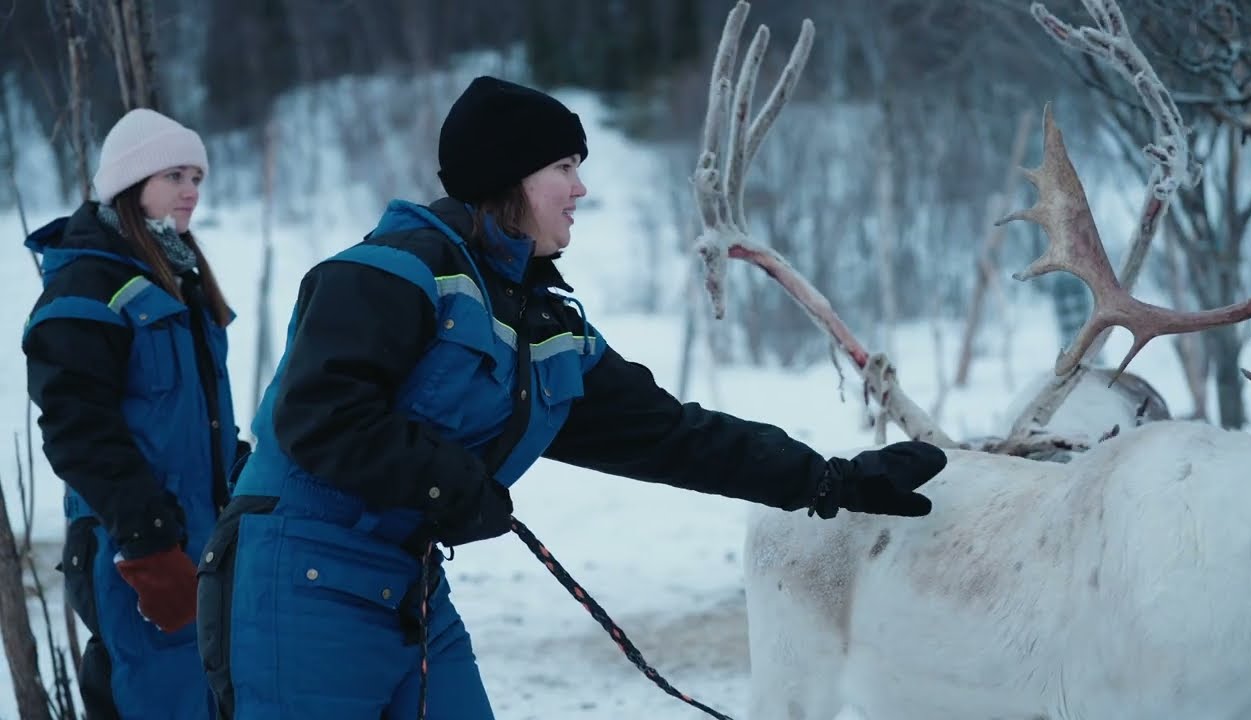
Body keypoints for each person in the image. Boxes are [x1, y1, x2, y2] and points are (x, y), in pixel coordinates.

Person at [196, 76, 947, 720]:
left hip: (409, 582)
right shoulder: (389, 273)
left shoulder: (540, 320)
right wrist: (447, 481)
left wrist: (828, 481)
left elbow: (670, 434)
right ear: (509, 175)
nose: (581, 187)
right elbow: (319, 416)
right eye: (564, 165)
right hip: (300, 577)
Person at [23, 108, 249, 720]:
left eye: (198, 176)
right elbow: (78, 431)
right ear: (130, 183)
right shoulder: (86, 288)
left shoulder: (178, 277)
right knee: (155, 699)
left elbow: (194, 420)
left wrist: (246, 478)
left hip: (202, 542)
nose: (191, 191)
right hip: (132, 549)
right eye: (175, 175)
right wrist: (148, 544)